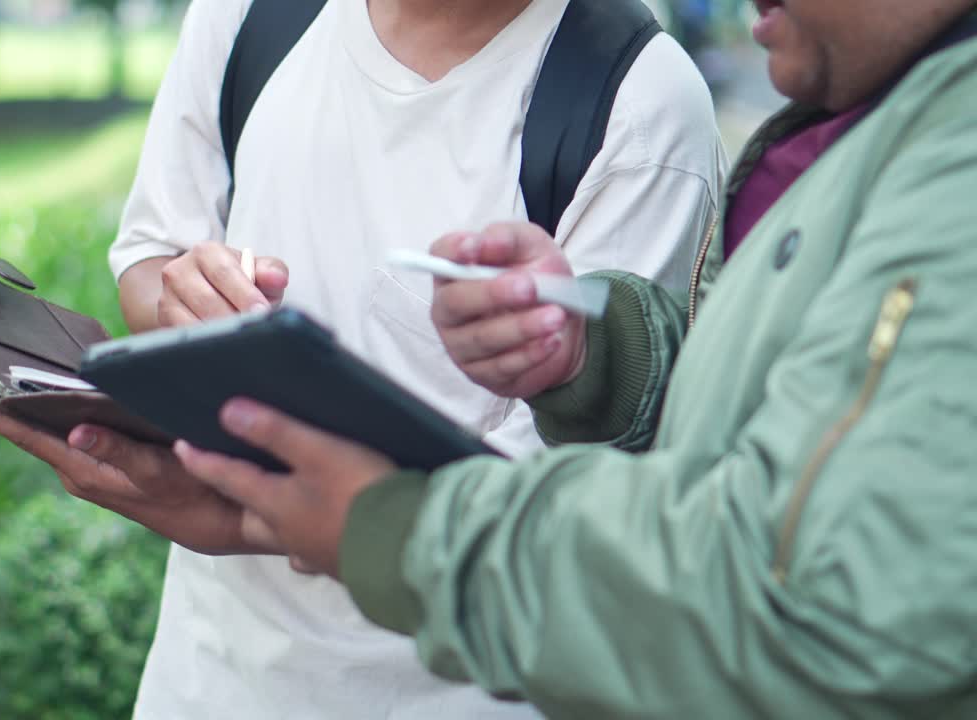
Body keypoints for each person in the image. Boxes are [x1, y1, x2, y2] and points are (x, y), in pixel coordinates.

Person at [173, 0, 977, 717]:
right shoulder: (875, 119)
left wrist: (400, 530)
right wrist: (595, 352)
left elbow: (828, 607)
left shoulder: (949, 164)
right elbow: (755, 419)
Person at [0, 0, 726, 717]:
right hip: (203, 682)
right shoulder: (250, 16)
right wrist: (189, 297)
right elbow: (151, 260)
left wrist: (230, 518)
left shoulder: (637, 102)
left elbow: (571, 520)